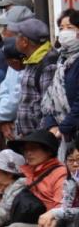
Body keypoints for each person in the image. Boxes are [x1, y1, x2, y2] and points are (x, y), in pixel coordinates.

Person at [10, 17, 57, 140]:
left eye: (17, 36)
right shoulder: (33, 60)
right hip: (29, 137)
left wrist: (39, 139)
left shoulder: (48, 64)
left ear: (24, 42)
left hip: (38, 139)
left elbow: (48, 106)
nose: (15, 40)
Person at [43, 9, 79, 145]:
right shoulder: (60, 60)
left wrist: (64, 128)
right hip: (61, 134)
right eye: (61, 28)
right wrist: (51, 125)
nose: (64, 32)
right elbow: (50, 97)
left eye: (70, 27)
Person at [0, 40, 24, 138]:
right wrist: (2, 118)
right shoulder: (11, 68)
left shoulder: (25, 69)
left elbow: (16, 98)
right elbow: (4, 92)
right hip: (10, 123)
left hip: (25, 126)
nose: (6, 61)